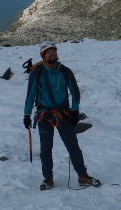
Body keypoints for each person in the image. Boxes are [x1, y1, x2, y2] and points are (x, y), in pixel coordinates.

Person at [23, 42, 100, 190]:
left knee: (73, 146)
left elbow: (75, 91)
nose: (52, 53)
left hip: (63, 114)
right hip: (44, 115)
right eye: (48, 52)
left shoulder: (65, 71)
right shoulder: (37, 73)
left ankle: (82, 176)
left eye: (54, 51)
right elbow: (30, 94)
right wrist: (26, 114)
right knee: (46, 148)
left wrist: (75, 110)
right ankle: (48, 178)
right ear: (43, 56)